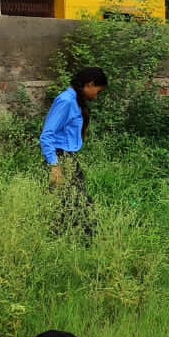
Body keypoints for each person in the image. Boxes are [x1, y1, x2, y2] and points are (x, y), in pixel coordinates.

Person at [40, 67, 107, 234]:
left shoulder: (75, 101)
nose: (96, 96)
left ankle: (64, 238)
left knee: (66, 202)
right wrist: (54, 166)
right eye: (97, 91)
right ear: (90, 84)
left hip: (69, 158)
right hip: (60, 158)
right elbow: (46, 135)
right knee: (81, 203)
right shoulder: (66, 101)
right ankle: (90, 240)